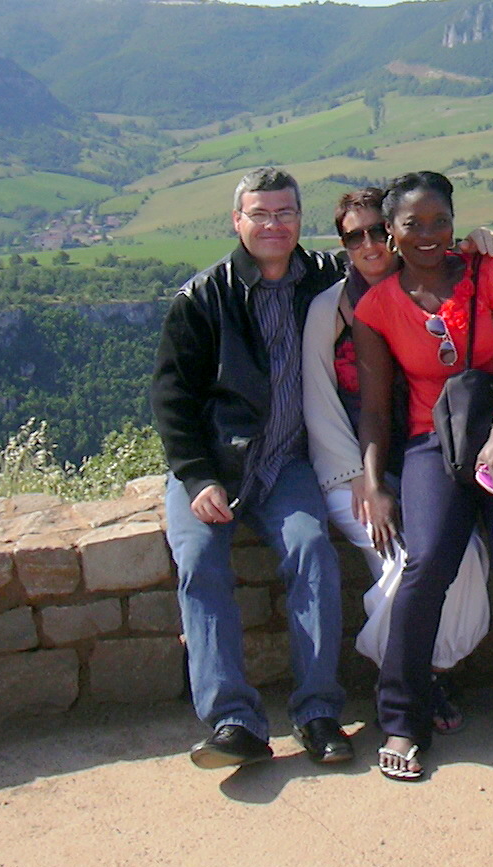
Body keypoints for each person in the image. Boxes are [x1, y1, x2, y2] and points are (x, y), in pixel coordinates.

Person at [352, 171, 493, 781]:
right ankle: (402, 718)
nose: (427, 234)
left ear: (454, 222)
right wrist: (375, 481)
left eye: (438, 221)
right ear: (390, 232)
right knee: (427, 564)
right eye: (411, 224)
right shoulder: (377, 307)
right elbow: (372, 406)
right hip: (429, 444)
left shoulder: (489, 274)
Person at [150, 166, 353, 771]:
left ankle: (318, 712)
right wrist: (196, 476)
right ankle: (233, 721)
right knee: (200, 562)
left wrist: (474, 248)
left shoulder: (324, 278)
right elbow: (171, 399)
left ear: (300, 219)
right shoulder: (203, 297)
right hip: (214, 466)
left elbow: (397, 259)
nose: (273, 224)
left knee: (312, 549)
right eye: (259, 214)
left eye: (285, 213)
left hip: (287, 463)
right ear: (236, 221)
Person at [303, 187, 492, 734]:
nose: (367, 243)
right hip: (350, 468)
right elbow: (318, 402)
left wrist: (481, 246)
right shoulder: (329, 310)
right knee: (398, 564)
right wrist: (363, 481)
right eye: (352, 235)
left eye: (375, 231)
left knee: (464, 555)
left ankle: (423, 667)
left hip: (421, 456)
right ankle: (411, 679)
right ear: (341, 244)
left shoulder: (427, 289)